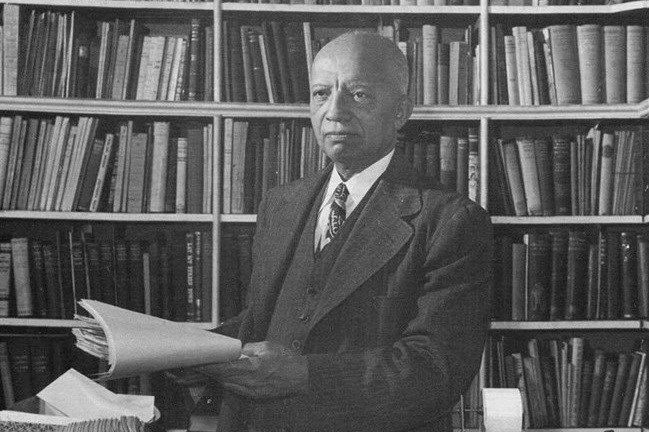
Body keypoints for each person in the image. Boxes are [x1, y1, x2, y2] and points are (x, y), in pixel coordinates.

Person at [193, 31, 493, 432]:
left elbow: (435, 371)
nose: (334, 111)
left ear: (402, 111)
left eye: (359, 95)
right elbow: (266, 323)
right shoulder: (280, 204)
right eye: (321, 93)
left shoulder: (451, 221)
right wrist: (182, 353)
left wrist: (304, 374)